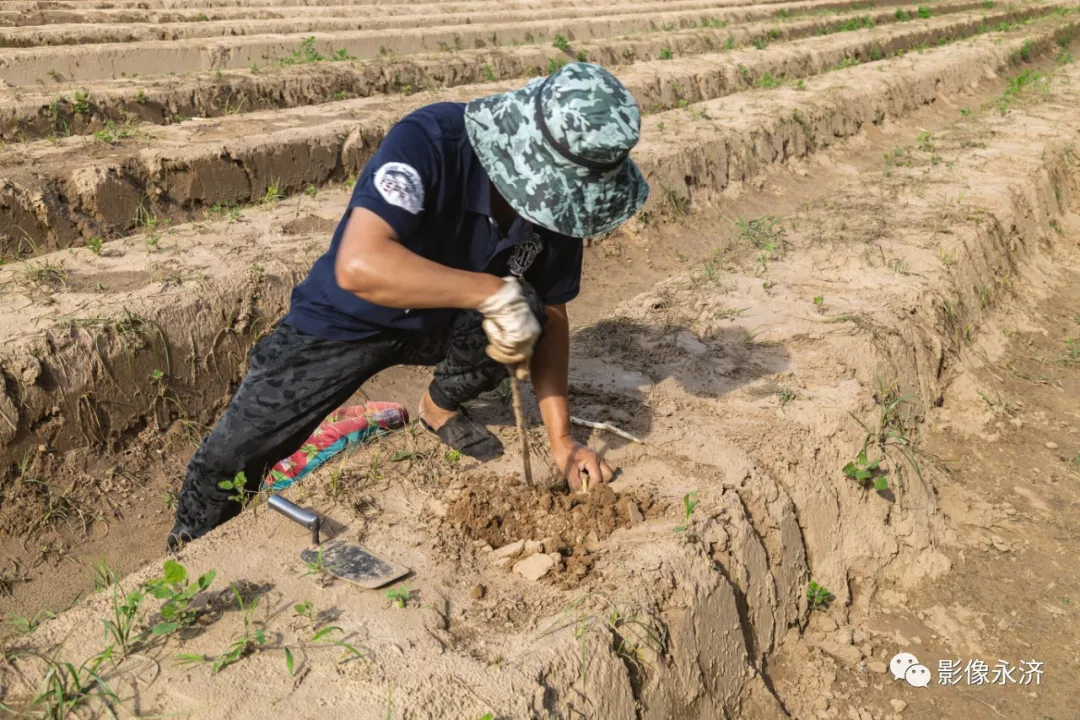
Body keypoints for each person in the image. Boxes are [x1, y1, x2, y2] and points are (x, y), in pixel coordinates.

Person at [167, 62, 649, 550]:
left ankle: (437, 407)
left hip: (446, 320)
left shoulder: (559, 212)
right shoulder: (432, 141)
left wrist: (562, 441)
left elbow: (552, 314)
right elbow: (359, 264)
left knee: (527, 308)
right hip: (349, 315)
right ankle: (188, 549)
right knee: (234, 454)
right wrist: (488, 293)